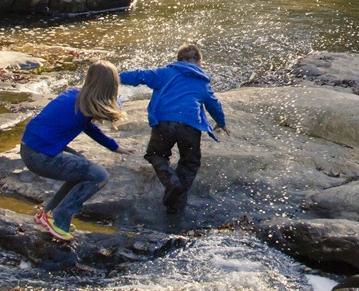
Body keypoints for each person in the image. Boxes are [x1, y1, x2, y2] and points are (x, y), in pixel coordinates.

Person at [20, 59, 130, 242]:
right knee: (100, 176)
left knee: (82, 169)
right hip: (40, 155)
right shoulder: (87, 103)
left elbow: (89, 127)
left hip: (32, 149)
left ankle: (47, 214)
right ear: (110, 86)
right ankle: (58, 220)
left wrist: (114, 147)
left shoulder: (78, 96)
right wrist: (119, 102)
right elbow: (112, 112)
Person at [118, 42, 229, 214]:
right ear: (199, 61)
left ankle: (172, 182)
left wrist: (113, 77)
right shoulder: (202, 81)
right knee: (190, 163)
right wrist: (221, 122)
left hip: (164, 123)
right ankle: (176, 205)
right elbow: (214, 104)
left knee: (156, 154)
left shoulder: (164, 72)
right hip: (190, 126)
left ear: (177, 60)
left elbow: (140, 75)